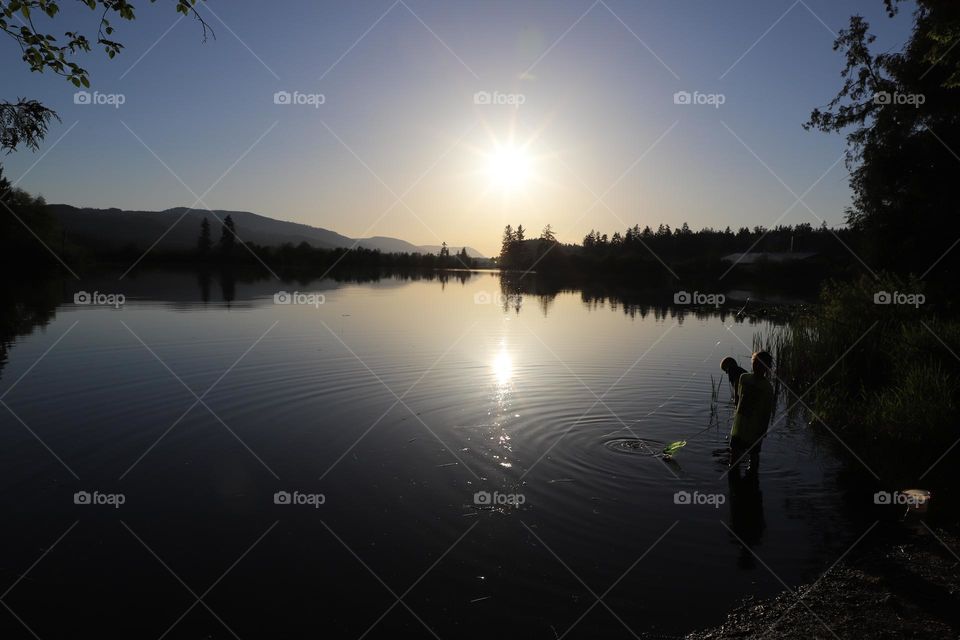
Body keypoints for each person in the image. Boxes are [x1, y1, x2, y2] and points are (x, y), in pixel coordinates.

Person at [728, 351, 775, 475]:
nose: (757, 366)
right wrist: (736, 410)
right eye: (755, 363)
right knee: (734, 451)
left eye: (761, 365)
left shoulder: (768, 387)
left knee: (754, 454)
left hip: (755, 427)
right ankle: (733, 475)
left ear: (767, 368)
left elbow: (767, 411)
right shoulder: (744, 378)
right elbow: (738, 398)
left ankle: (752, 476)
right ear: (752, 363)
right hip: (739, 424)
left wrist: (763, 431)